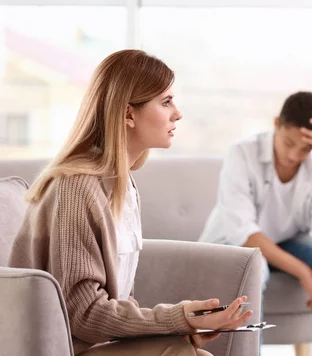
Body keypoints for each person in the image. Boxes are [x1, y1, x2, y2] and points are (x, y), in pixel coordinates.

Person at [9, 49, 253, 356]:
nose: (177, 113)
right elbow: (82, 314)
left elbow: (118, 306)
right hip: (61, 349)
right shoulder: (76, 188)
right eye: (166, 102)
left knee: (190, 351)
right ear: (128, 114)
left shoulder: (124, 186)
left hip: (95, 346)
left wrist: (183, 331)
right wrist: (180, 318)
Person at [199, 91, 312, 356]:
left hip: (286, 241)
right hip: (233, 243)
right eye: (289, 142)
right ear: (276, 124)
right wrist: (302, 271)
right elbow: (244, 232)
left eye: (305, 148)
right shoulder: (242, 153)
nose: (295, 155)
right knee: (256, 270)